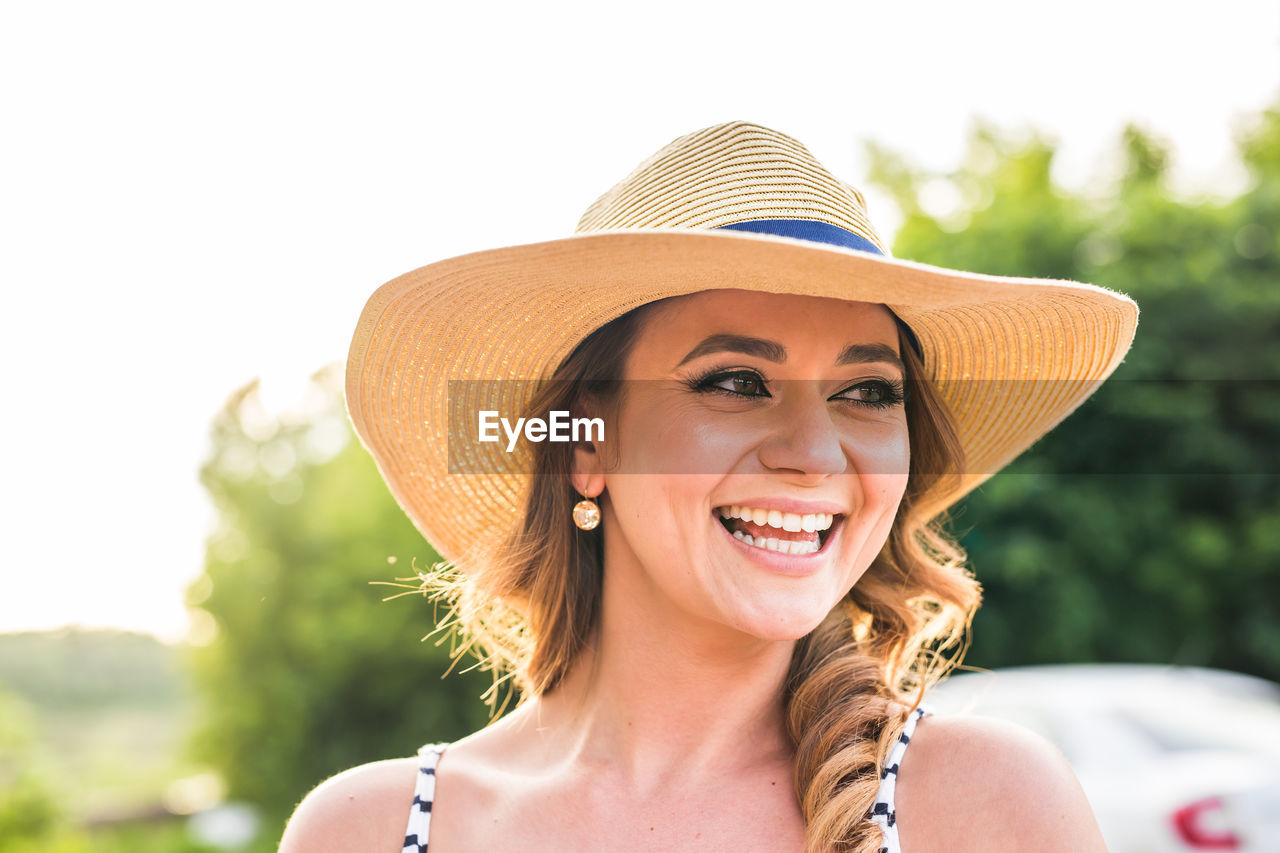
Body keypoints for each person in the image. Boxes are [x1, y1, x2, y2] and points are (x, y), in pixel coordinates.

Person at [279, 121, 1137, 852]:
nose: (816, 453)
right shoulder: (369, 829)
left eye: (868, 391)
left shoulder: (983, 808)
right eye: (734, 381)